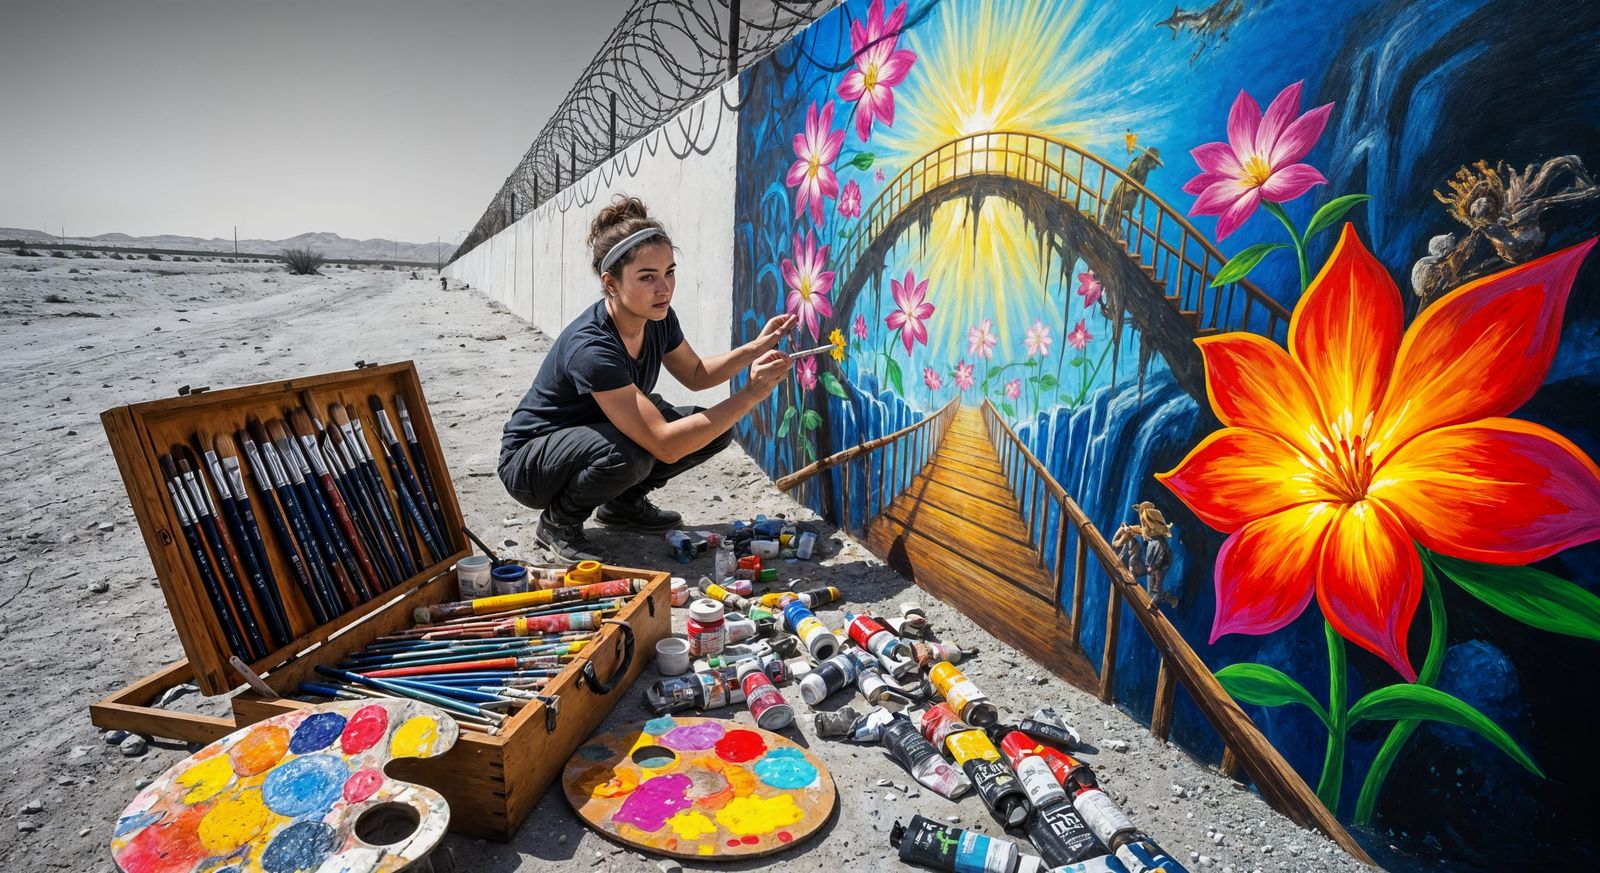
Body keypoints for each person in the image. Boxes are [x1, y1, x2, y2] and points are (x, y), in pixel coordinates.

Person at [498, 196, 796, 562]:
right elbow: (665, 445)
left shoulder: (658, 318)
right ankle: (558, 524)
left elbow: (696, 373)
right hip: (533, 463)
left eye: (670, 272)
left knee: (713, 429)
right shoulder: (591, 347)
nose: (664, 288)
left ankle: (622, 506)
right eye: (647, 277)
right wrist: (751, 394)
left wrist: (753, 349)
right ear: (610, 283)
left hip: (594, 434)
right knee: (635, 452)